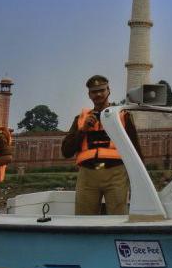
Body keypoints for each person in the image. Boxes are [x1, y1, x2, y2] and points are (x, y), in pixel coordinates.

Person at [60, 75, 141, 215]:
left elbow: (136, 149)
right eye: (94, 91)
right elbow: (66, 151)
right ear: (89, 95)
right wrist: (83, 130)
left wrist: (139, 179)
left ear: (108, 91)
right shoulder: (81, 119)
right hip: (87, 175)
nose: (98, 94)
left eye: (101, 90)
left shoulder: (122, 116)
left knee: (118, 218)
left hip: (116, 173)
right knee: (83, 221)